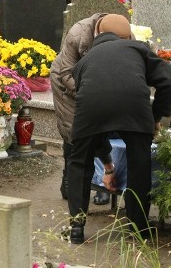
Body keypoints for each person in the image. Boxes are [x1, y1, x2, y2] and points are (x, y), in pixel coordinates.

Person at [68, 14, 171, 244]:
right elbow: (169, 81)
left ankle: (76, 228)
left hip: (91, 109)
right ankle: (139, 227)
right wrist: (155, 116)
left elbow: (84, 96)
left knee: (79, 162)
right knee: (140, 163)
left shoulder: (84, 61)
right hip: (134, 108)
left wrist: (103, 154)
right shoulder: (138, 48)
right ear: (128, 35)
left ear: (97, 35)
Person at [50, 12, 112, 202]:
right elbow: (66, 73)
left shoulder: (124, 34)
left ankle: (101, 184)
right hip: (66, 82)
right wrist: (88, 97)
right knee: (73, 129)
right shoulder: (78, 34)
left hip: (99, 84)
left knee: (102, 130)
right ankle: (69, 176)